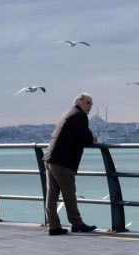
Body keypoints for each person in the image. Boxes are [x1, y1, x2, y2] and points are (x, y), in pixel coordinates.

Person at [42, 93, 98, 235]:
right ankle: (77, 223)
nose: (90, 106)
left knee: (52, 194)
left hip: (50, 157)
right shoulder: (79, 116)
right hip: (62, 160)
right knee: (69, 193)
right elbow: (86, 138)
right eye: (87, 103)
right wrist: (93, 140)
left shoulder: (68, 113)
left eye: (91, 103)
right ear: (78, 102)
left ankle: (54, 226)